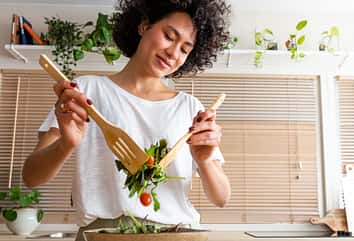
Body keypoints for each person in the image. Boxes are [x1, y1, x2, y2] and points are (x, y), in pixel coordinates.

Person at [22, 0, 231, 239]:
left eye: (185, 49)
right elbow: (31, 177)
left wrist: (204, 161)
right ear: (144, 26)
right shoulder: (86, 92)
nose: (174, 53)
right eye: (169, 36)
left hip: (176, 234)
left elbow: (221, 197)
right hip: (103, 234)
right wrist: (66, 144)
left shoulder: (189, 107)